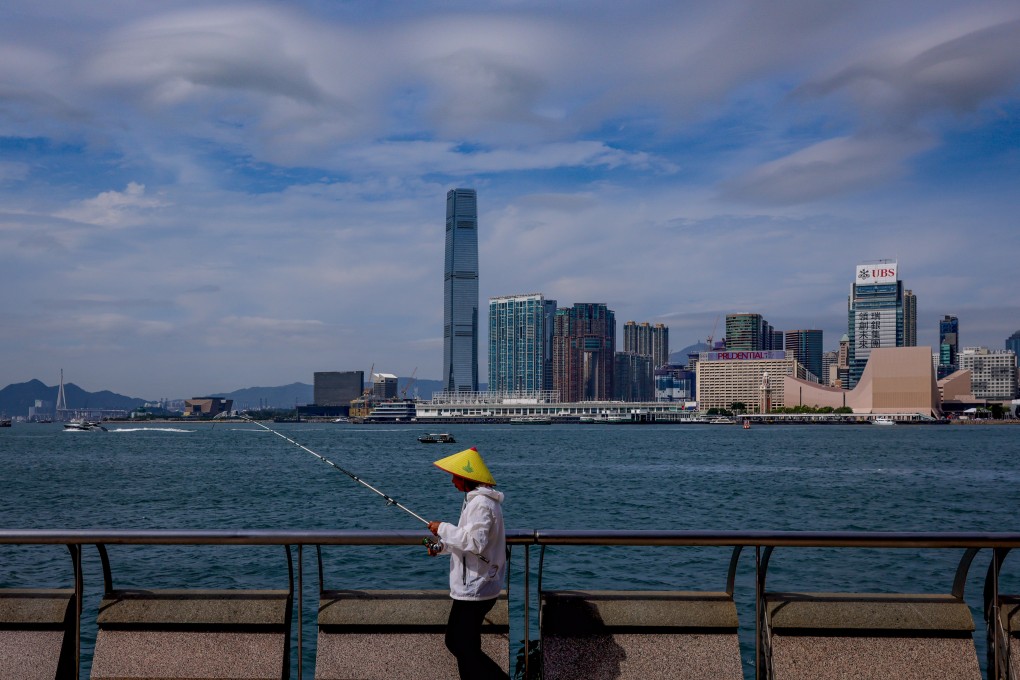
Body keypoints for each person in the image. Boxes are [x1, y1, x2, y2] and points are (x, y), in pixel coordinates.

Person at [427, 446, 509, 680]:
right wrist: (441, 547)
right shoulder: (476, 501)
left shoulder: (481, 504)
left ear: (467, 478)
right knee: (464, 644)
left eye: (455, 476)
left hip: (476, 587)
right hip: (474, 585)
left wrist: (442, 527)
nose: (452, 481)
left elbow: (474, 542)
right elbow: (466, 539)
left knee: (459, 643)